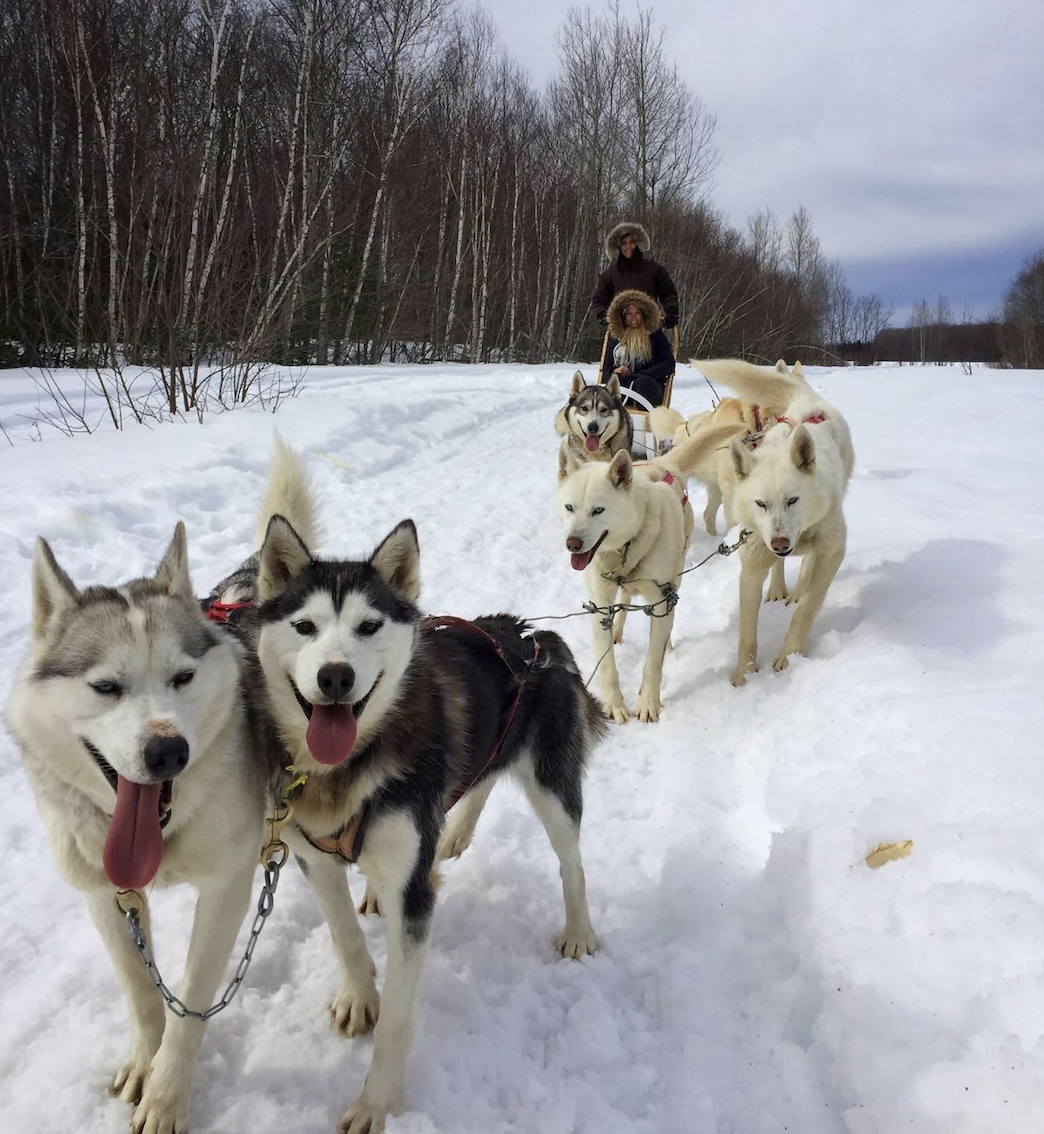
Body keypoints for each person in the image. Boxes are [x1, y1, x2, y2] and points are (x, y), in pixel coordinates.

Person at [591, 221, 679, 330]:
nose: (628, 246)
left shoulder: (654, 269)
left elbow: (668, 292)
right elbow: (599, 299)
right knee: (613, 348)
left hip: (649, 329)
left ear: (638, 243)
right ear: (618, 246)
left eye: (631, 242)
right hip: (621, 332)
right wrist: (602, 315)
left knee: (664, 347)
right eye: (624, 243)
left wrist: (672, 312)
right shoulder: (609, 275)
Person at [600, 288, 675, 407]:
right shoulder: (616, 338)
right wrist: (615, 371)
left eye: (637, 313)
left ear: (644, 315)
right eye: (629, 314)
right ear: (623, 317)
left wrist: (645, 374)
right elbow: (606, 370)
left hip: (648, 385)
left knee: (642, 383)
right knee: (614, 382)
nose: (633, 318)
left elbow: (668, 363)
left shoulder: (655, 335)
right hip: (623, 386)